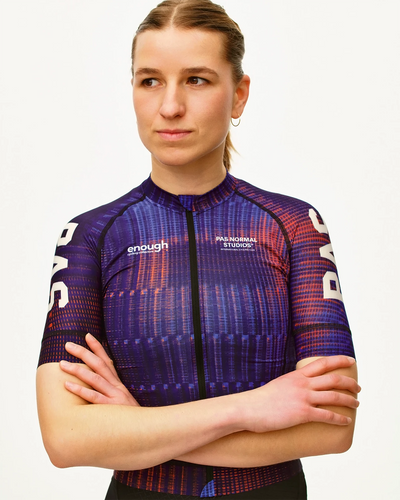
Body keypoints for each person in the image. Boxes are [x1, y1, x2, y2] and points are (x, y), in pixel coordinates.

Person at [36, 1, 360, 498]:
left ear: (239, 94)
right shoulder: (90, 236)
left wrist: (137, 428)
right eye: (150, 81)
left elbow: (332, 426)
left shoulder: (294, 225)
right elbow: (66, 438)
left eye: (197, 80)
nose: (170, 106)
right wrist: (249, 408)